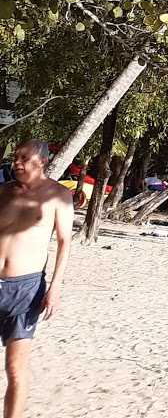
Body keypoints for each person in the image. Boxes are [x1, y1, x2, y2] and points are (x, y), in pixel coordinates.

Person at [0, 138, 74, 418]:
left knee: (15, 368)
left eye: (23, 158)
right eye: (15, 158)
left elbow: (65, 243)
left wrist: (54, 288)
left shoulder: (57, 195)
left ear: (41, 161)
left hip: (26, 288)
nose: (16, 163)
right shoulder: (3, 192)